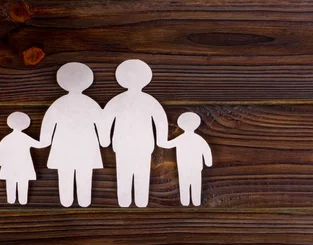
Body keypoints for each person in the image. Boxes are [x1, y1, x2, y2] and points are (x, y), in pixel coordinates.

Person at [100, 59, 169, 208]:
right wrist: (161, 140)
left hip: (125, 144)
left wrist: (104, 139)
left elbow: (105, 120)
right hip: (140, 144)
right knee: (140, 173)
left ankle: (127, 200)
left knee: (126, 172)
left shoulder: (117, 101)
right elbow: (160, 119)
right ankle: (139, 199)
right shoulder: (149, 101)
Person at [40, 62, 106, 207]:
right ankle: (84, 200)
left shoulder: (58, 104)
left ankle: (66, 200)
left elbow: (48, 123)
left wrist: (44, 141)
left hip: (62, 145)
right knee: (85, 174)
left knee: (65, 174)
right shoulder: (91, 103)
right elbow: (102, 124)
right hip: (87, 146)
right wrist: (104, 140)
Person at [0, 112, 46, 205]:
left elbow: (0, 150)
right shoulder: (24, 137)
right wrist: (48, 139)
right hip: (23, 165)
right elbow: (39, 145)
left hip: (9, 166)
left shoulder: (7, 138)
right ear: (26, 124)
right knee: (23, 183)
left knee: (10, 183)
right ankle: (23, 200)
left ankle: (11, 199)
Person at [166, 112, 212, 206]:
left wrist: (160, 141)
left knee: (184, 183)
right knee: (196, 183)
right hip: (196, 167)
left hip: (183, 167)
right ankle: (196, 201)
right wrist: (208, 162)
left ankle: (185, 201)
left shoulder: (180, 139)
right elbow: (206, 150)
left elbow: (168, 144)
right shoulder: (199, 139)